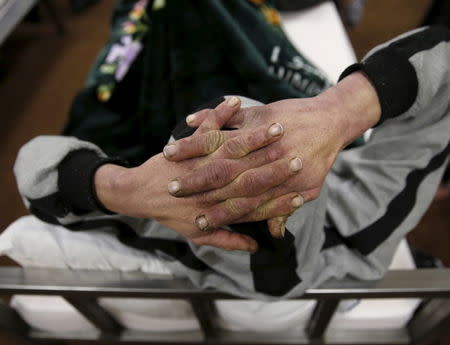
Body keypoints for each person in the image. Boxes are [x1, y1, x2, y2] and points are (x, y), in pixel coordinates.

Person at [13, 6, 450, 298]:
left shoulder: (156, 219)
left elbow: (35, 170)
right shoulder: (366, 216)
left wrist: (122, 187)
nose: (255, 167)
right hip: (287, 107)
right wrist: (335, 111)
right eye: (272, 144)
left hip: (151, 140)